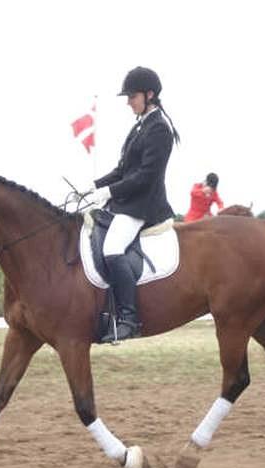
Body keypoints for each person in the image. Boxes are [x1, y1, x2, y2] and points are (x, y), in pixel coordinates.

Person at [86, 66, 178, 342]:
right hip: (127, 203)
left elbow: (146, 176)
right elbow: (123, 169)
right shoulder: (140, 125)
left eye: (132, 96)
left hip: (144, 207)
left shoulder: (159, 128)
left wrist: (110, 191)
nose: (128, 102)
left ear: (149, 95)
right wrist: (93, 186)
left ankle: (127, 317)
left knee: (112, 248)